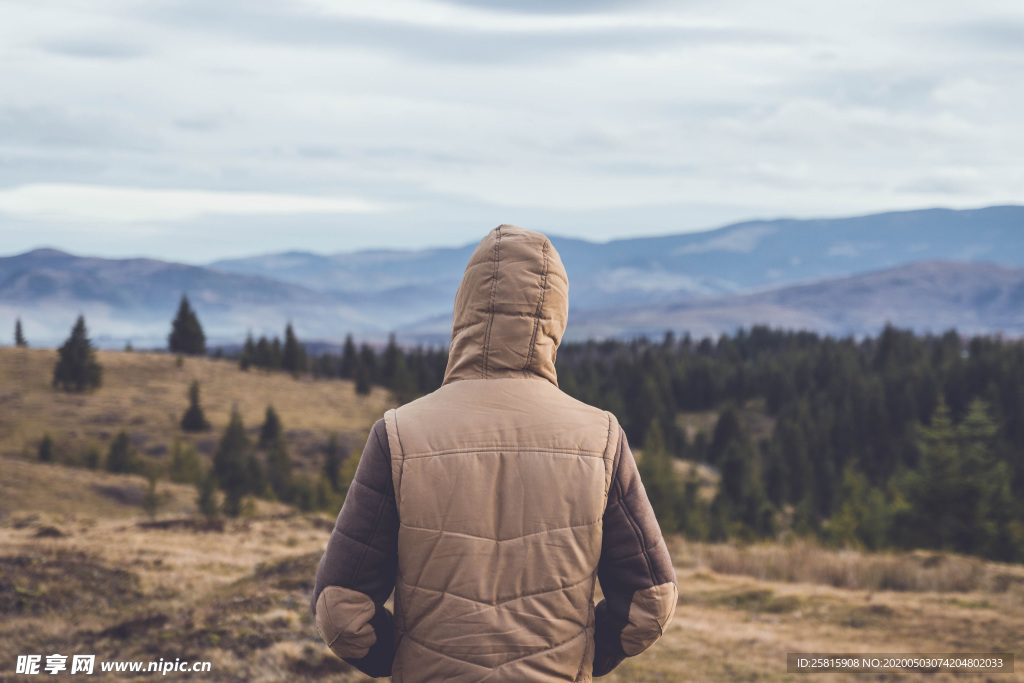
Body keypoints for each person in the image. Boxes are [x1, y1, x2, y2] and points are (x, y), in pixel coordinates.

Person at [311, 225, 678, 681]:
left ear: (464, 310)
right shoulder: (600, 437)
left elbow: (340, 612)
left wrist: (406, 659)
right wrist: (581, 655)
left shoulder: (400, 434)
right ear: (555, 316)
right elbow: (651, 603)